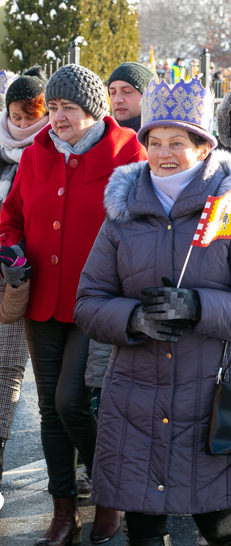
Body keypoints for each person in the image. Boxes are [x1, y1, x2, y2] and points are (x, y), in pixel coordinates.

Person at [74, 75, 231, 546]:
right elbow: (89, 301)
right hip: (137, 396)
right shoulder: (122, 213)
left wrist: (197, 305)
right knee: (143, 519)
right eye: (155, 142)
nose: (165, 153)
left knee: (215, 514)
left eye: (178, 142)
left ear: (203, 145)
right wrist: (133, 318)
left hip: (212, 391)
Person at [0, 63, 147, 546]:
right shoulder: (35, 155)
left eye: (69, 109)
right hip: (41, 298)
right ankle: (64, 513)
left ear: (94, 111)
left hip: (97, 302)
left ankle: (111, 492)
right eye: (54, 108)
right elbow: (11, 218)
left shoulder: (128, 154)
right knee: (48, 409)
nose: (58, 118)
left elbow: (142, 229)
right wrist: (12, 249)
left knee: (72, 401)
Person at [0, 65, 49, 512]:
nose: (20, 122)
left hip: (46, 278)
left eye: (28, 113)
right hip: (7, 274)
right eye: (14, 114)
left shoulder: (53, 150)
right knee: (4, 369)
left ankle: (76, 473)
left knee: (52, 386)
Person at [107, 62, 154, 132]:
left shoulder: (165, 137)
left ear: (148, 96)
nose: (117, 100)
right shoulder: (100, 137)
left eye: (127, 91)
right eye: (113, 93)